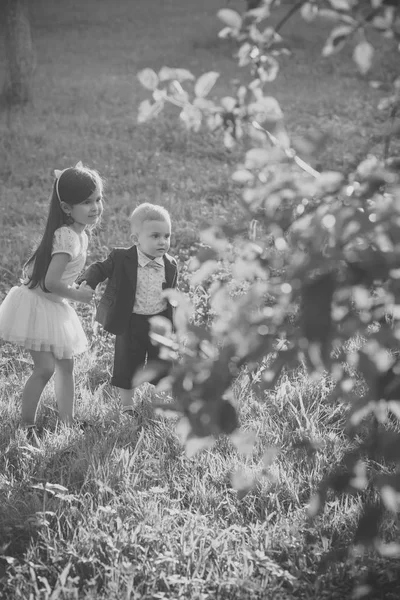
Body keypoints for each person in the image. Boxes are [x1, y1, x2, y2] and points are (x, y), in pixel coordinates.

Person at [0, 162, 103, 440]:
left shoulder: (80, 233)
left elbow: (58, 281)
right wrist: (79, 295)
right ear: (67, 208)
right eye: (86, 202)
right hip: (36, 305)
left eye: (97, 199)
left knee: (66, 366)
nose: (95, 207)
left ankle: (67, 420)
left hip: (53, 305)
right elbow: (49, 282)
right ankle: (26, 424)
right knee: (45, 368)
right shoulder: (67, 237)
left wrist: (74, 285)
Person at [77, 202, 178, 415]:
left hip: (159, 322)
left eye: (166, 236)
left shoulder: (170, 264)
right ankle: (127, 406)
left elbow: (172, 294)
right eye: (155, 236)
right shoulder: (122, 258)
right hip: (130, 321)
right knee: (127, 363)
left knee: (162, 362)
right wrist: (88, 282)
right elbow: (100, 268)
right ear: (136, 239)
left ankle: (160, 401)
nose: (163, 241)